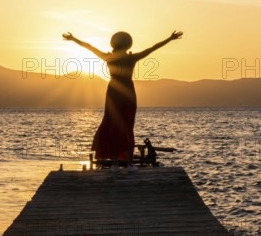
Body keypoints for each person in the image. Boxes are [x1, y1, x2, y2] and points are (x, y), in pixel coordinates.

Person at [63, 30, 183, 171]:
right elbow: (153, 48)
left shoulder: (109, 57)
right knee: (127, 127)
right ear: (128, 45)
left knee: (113, 125)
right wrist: (170, 38)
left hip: (113, 92)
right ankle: (129, 163)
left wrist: (73, 38)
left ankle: (115, 163)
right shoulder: (131, 58)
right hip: (127, 92)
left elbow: (89, 47)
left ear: (114, 43)